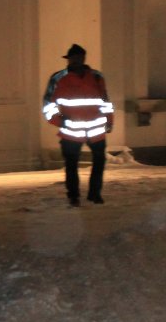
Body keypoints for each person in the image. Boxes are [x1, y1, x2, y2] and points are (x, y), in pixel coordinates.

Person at [41, 44, 114, 206]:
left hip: (95, 129)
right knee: (71, 165)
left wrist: (109, 120)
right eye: (74, 58)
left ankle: (95, 194)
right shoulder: (58, 78)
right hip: (71, 130)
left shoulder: (96, 77)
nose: (76, 61)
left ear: (83, 58)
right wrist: (59, 121)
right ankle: (74, 196)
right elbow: (48, 104)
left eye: (79, 57)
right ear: (68, 59)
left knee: (99, 162)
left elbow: (105, 100)